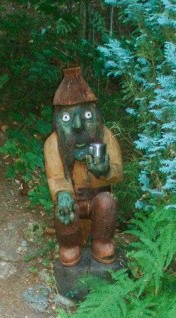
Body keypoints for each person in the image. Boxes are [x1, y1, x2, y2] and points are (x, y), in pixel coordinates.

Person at [43, 66, 124, 280]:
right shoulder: (53, 143)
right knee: (65, 210)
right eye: (68, 119)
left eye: (87, 115)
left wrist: (105, 171)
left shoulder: (105, 135)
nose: (79, 126)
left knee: (107, 203)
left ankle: (101, 243)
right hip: (73, 198)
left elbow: (118, 171)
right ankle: (71, 246)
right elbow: (55, 177)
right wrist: (63, 195)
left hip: (98, 198)